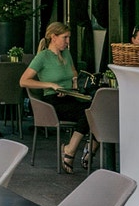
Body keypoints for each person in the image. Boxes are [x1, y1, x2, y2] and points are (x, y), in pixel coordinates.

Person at [21, 21, 90, 172]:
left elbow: (73, 73)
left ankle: (88, 151)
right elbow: (23, 81)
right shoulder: (42, 57)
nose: (68, 41)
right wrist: (50, 85)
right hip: (52, 103)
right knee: (88, 112)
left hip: (70, 97)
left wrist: (73, 83)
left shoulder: (66, 54)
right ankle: (70, 151)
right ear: (53, 37)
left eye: (68, 37)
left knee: (96, 110)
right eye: (65, 37)